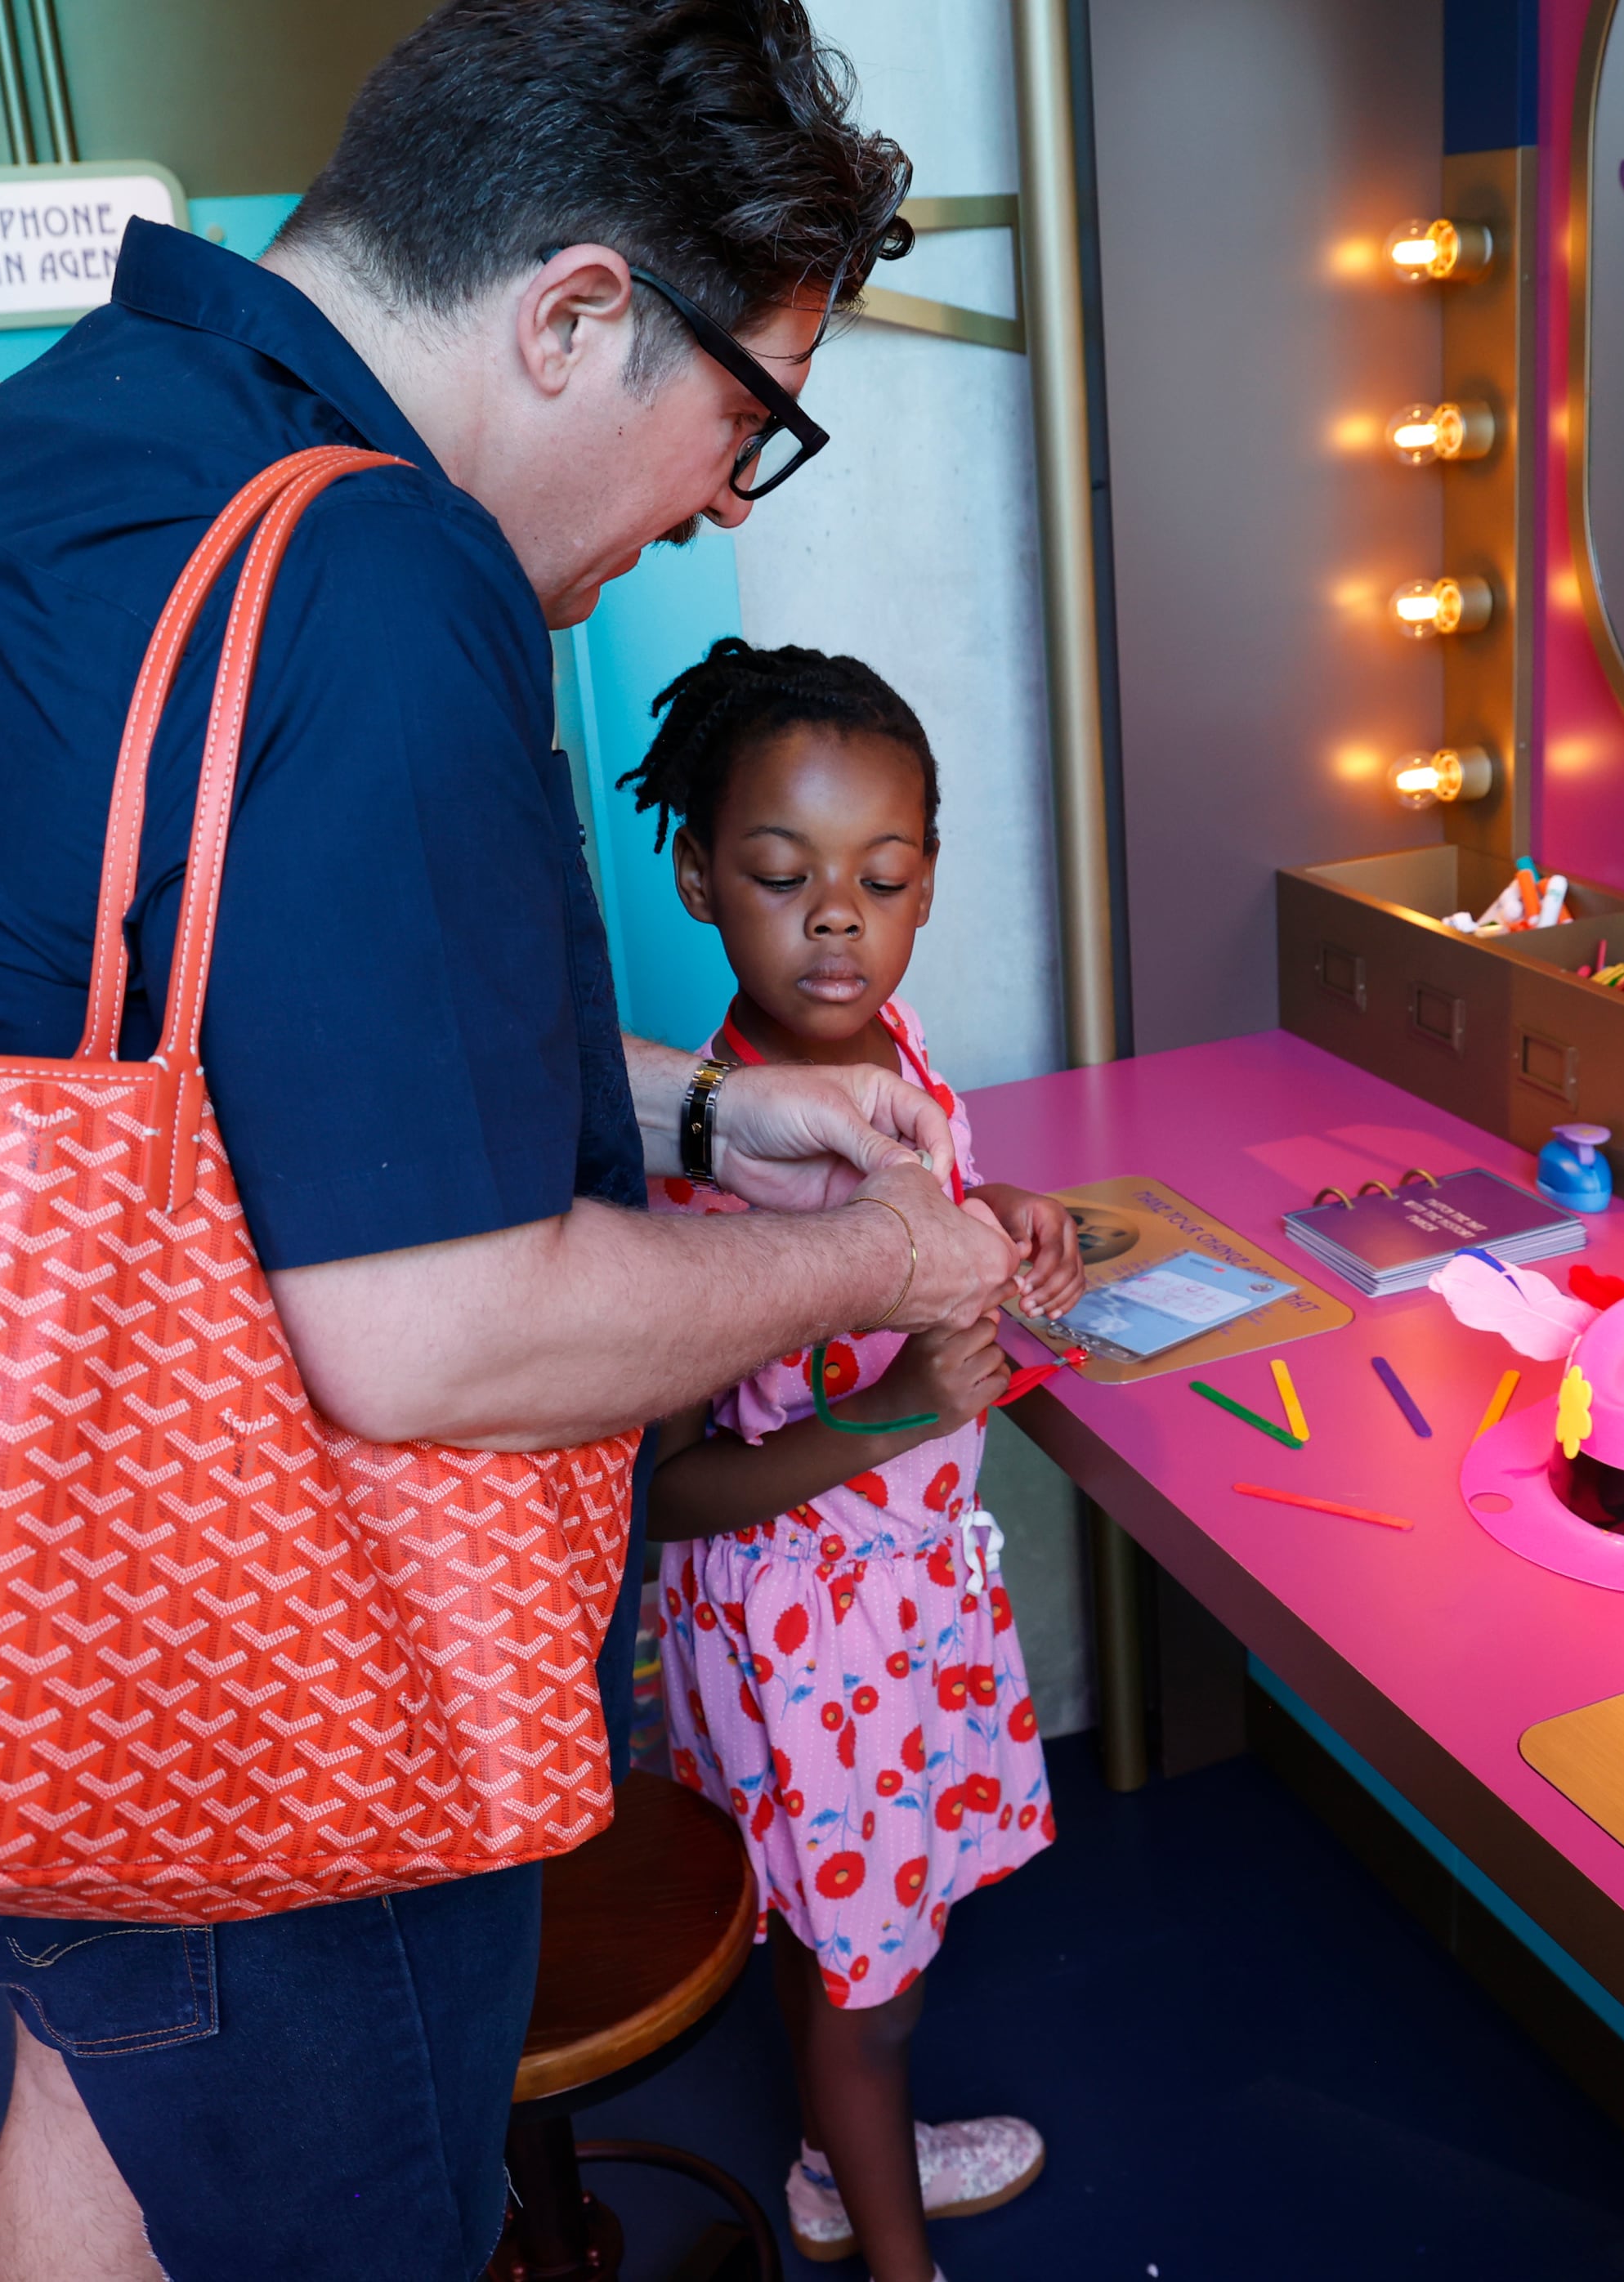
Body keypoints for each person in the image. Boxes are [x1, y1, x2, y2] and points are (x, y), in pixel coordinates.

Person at [0, 6, 1025, 2279]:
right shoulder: (373, 579)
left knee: (97, 2107)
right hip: (260, 1694)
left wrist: (709, 1103)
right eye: (749, 419)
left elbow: (243, 1043)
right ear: (578, 312)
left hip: (18, 1631)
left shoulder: (90, 457)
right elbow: (436, 1339)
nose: (727, 497)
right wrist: (899, 1265)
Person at [623, 639, 1082, 2280]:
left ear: (927, 883)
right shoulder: (705, 1161)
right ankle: (891, 2248)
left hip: (909, 1615)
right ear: (694, 875)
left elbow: (927, 1203)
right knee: (863, 1990)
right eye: (782, 872)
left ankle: (835, 2160)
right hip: (810, 1643)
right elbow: (660, 1501)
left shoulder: (893, 1049)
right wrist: (884, 1418)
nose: (838, 916)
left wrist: (998, 1205)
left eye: (881, 877)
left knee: (879, 1943)